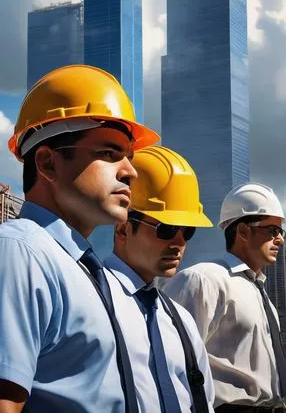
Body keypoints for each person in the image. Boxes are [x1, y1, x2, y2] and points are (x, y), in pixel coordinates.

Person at [0, 64, 159, 413]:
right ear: (48, 163)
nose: (131, 172)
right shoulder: (20, 252)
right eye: (109, 153)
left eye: (129, 157)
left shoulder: (78, 267)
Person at [103, 145, 215, 412]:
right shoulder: (88, 299)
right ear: (123, 228)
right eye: (165, 229)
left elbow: (204, 402)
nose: (179, 243)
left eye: (187, 231)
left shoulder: (181, 320)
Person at [164, 182, 286, 412]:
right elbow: (175, 362)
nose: (279, 239)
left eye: (281, 231)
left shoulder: (261, 294)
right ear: (242, 231)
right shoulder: (203, 279)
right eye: (272, 230)